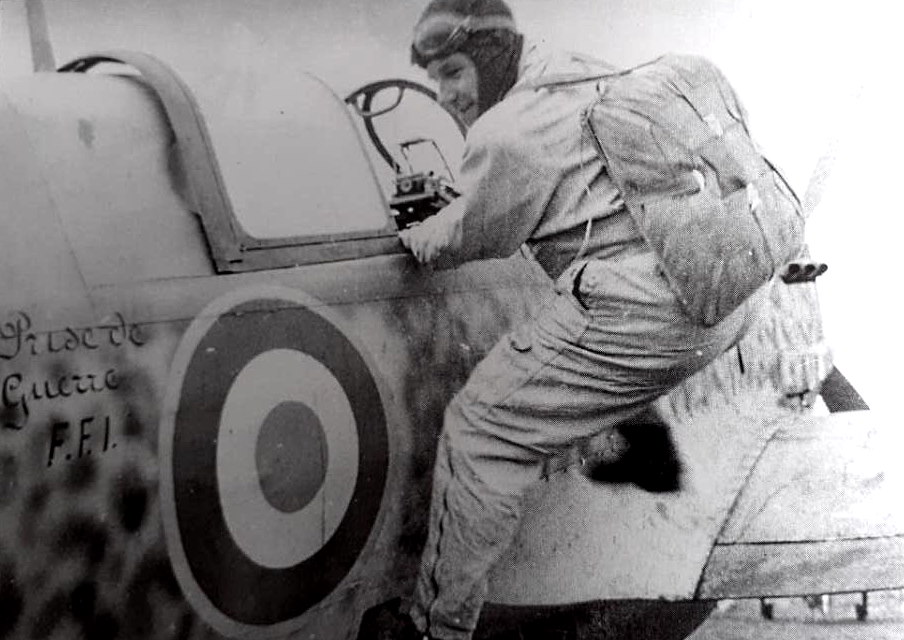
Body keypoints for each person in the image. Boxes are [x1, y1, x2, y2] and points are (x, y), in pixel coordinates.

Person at [382, 1, 773, 638]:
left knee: (481, 430)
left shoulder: (506, 130)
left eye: (454, 72)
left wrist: (416, 233)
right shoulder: (577, 71)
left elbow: (464, 239)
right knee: (582, 371)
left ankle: (437, 629)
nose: (447, 95)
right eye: (436, 81)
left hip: (646, 312)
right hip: (720, 293)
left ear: (489, 57)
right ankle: (644, 457)